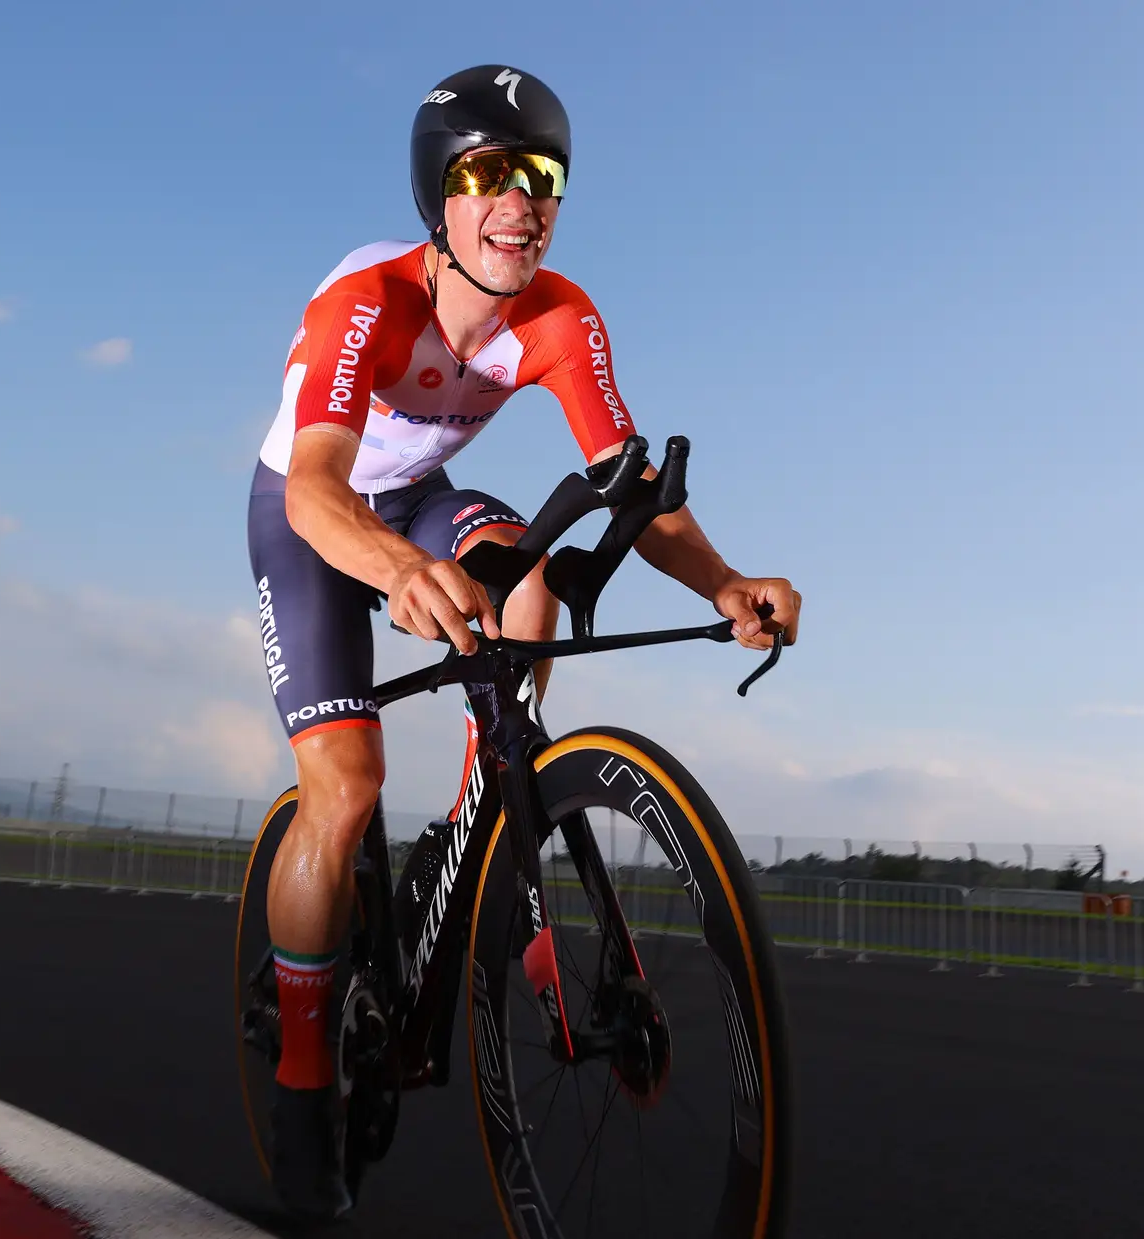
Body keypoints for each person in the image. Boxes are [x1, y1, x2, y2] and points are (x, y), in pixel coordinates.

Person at [246, 64, 803, 1219]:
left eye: (540, 176)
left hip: (421, 497)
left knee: (531, 571)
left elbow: (629, 492)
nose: (521, 198)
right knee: (343, 789)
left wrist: (725, 578)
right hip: (315, 513)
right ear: (438, 201)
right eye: (488, 173)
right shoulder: (368, 303)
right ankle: (304, 1085)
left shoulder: (560, 315)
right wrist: (397, 569)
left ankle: (490, 801)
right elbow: (313, 490)